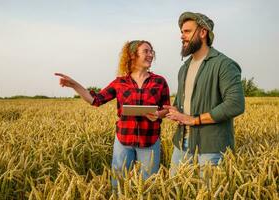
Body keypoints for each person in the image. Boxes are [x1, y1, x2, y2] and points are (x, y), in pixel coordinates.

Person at [55, 40, 170, 189]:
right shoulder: (120, 82)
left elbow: (167, 108)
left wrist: (159, 114)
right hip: (123, 140)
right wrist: (74, 85)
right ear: (132, 55)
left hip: (150, 140)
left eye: (151, 51)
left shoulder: (159, 81)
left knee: (149, 186)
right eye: (146, 51)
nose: (150, 55)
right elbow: (95, 100)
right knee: (118, 185)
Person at [164, 12, 245, 175]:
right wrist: (165, 112)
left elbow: (236, 104)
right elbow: (181, 103)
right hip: (181, 144)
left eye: (187, 31)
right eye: (181, 32)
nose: (182, 36)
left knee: (209, 192)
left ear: (203, 32)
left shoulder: (224, 64)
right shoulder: (184, 68)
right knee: (174, 188)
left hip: (211, 147)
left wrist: (194, 120)